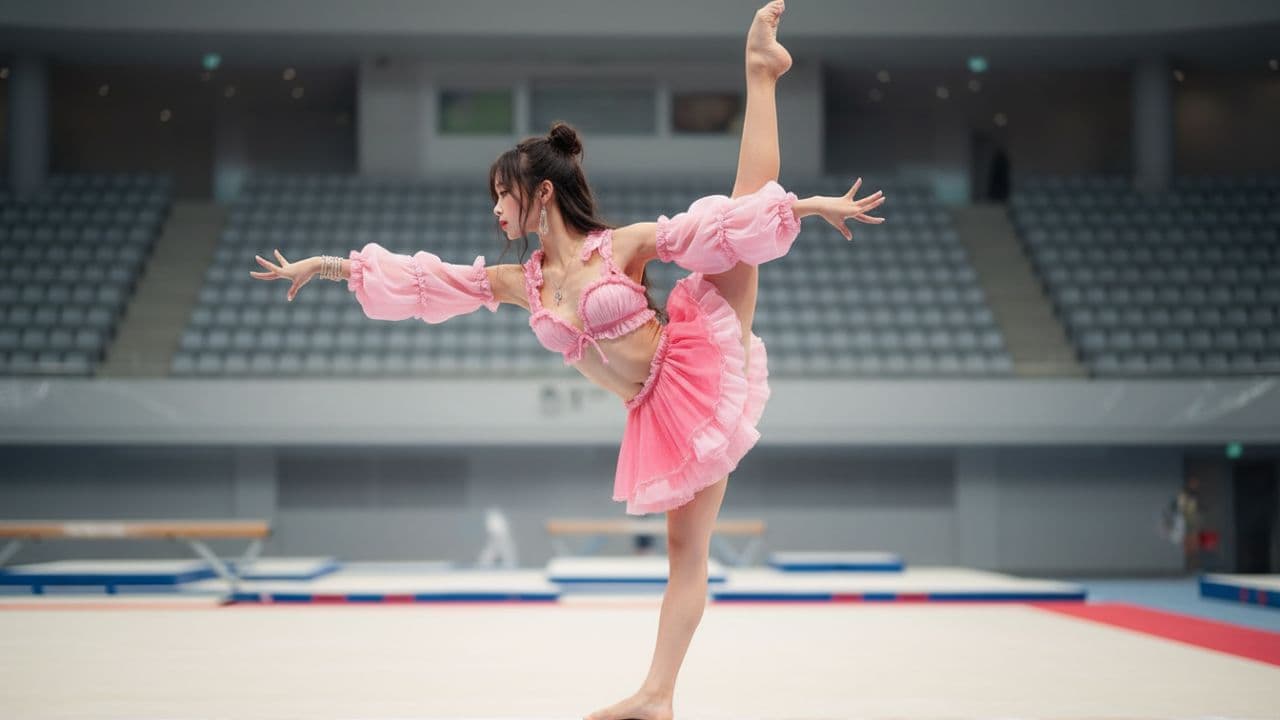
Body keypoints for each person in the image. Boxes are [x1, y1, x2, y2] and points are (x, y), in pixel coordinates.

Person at [251, 3, 886, 718]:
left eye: (502, 194)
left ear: (540, 192)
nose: (496, 211)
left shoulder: (619, 247)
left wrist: (804, 208)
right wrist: (329, 266)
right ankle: (659, 696)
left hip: (698, 359)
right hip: (655, 412)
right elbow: (426, 280)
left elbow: (712, 228)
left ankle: (760, 72)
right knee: (684, 554)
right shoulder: (520, 284)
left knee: (739, 213)